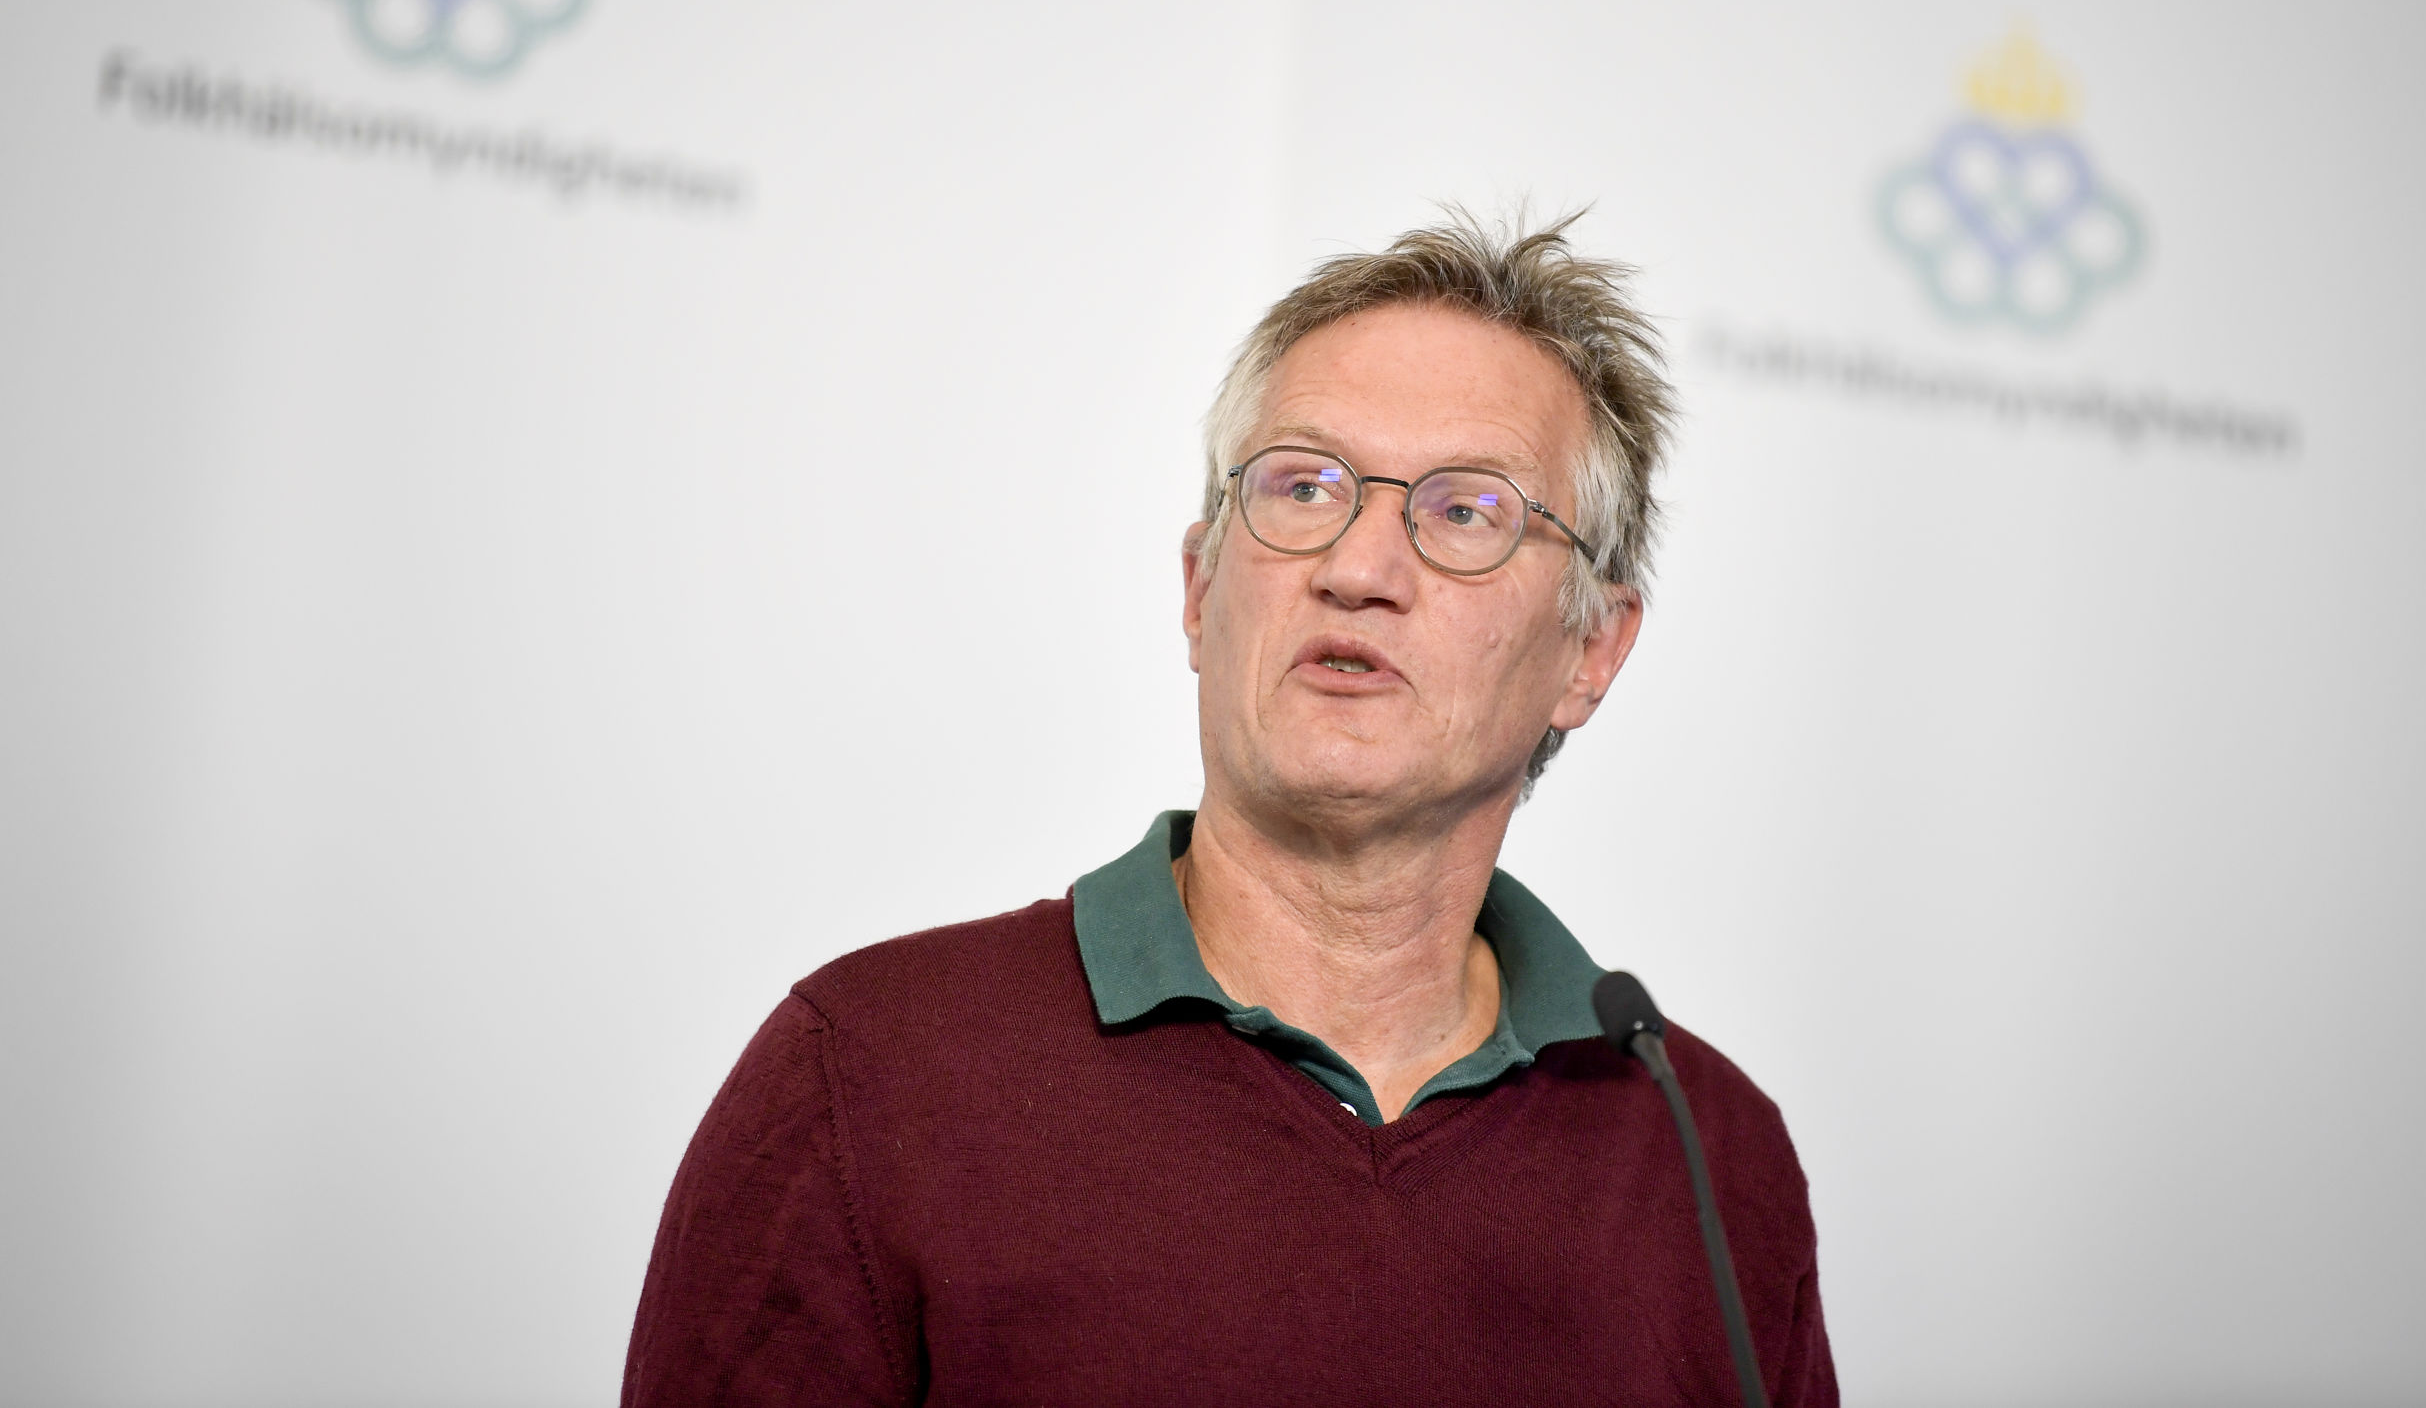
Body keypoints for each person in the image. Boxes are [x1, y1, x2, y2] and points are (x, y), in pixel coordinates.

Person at [622, 214, 1836, 1405]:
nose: (1358, 569)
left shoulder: (1709, 1152)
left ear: (1591, 650)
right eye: (1305, 486)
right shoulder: (868, 1071)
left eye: (1466, 511)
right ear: (1201, 590)